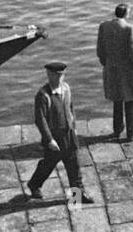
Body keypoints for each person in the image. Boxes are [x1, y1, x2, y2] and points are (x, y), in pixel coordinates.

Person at [27, 61, 95, 204]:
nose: (59, 79)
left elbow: (70, 109)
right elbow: (41, 120)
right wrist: (49, 140)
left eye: (61, 75)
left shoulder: (66, 89)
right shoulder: (43, 95)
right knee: (48, 165)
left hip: (68, 135)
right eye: (55, 76)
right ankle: (34, 184)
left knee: (74, 166)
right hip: (55, 138)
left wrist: (74, 128)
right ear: (48, 75)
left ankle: (78, 196)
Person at [97, 3, 133, 141]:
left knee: (117, 100)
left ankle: (117, 130)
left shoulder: (104, 26)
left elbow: (100, 50)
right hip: (127, 70)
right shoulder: (130, 28)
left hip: (112, 68)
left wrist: (105, 63)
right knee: (131, 101)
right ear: (126, 14)